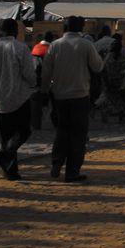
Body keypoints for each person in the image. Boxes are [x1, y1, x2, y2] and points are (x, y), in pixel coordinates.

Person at [42, 15, 104, 182]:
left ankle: (57, 161)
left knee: (62, 130)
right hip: (80, 94)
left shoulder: (55, 45)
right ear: (81, 28)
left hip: (59, 95)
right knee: (78, 134)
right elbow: (98, 66)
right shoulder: (86, 45)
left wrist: (44, 90)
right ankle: (72, 171)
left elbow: (46, 71)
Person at [0, 19, 36, 180]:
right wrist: (34, 83)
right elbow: (29, 73)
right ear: (16, 31)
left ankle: (10, 169)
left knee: (6, 135)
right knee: (23, 131)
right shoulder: (20, 48)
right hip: (18, 96)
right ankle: (4, 156)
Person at [98, 38, 125, 123]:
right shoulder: (113, 57)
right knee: (110, 100)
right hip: (112, 82)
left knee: (118, 100)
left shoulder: (110, 57)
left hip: (116, 82)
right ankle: (110, 116)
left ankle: (118, 116)